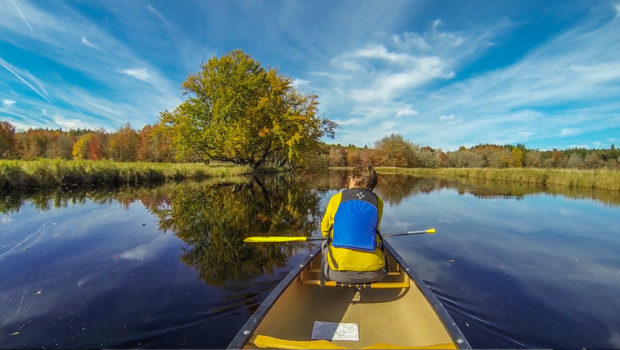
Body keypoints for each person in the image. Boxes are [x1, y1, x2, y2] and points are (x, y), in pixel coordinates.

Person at [320, 165, 387, 284]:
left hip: (337, 274)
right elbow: (375, 228)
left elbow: (324, 230)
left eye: (351, 177)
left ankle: (326, 277)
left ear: (354, 180)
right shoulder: (378, 202)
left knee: (325, 240)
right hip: (375, 273)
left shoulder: (336, 199)